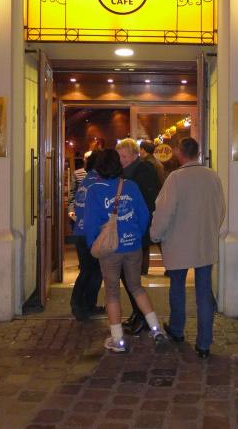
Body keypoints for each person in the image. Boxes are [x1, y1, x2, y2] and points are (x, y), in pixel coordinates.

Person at [82, 149, 169, 353]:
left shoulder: (95, 190)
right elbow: (144, 214)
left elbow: (90, 223)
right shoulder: (130, 186)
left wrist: (93, 244)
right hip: (133, 245)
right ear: (118, 165)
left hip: (110, 249)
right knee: (136, 287)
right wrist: (136, 234)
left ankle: (118, 339)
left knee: (112, 292)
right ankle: (156, 329)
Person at [150, 137, 225, 359]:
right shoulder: (212, 176)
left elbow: (165, 211)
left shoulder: (175, 178)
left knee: (177, 287)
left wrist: (155, 234)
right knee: (204, 291)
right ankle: (204, 343)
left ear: (180, 153)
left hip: (178, 242)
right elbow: (220, 209)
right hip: (204, 242)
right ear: (198, 153)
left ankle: (177, 329)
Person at [116, 138, 161, 333]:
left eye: (124, 156)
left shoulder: (143, 171)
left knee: (131, 277)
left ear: (135, 155)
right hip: (130, 229)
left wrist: (141, 228)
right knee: (128, 276)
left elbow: (148, 202)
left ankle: (142, 316)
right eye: (119, 156)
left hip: (136, 229)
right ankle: (138, 312)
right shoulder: (127, 171)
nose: (121, 160)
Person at [69, 151, 104, 322]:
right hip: (91, 232)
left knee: (91, 270)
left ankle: (88, 304)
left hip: (81, 231)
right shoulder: (98, 182)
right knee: (91, 270)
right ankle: (78, 303)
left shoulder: (86, 181)